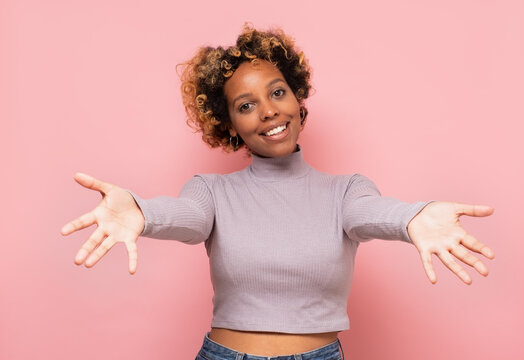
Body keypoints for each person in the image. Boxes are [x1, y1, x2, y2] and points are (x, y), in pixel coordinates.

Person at [60, 24, 495, 360]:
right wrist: (140, 211)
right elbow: (186, 218)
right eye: (246, 105)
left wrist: (413, 217)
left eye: (277, 92)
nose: (269, 111)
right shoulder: (210, 192)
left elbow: (373, 212)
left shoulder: (347, 192)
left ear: (298, 99)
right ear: (229, 124)